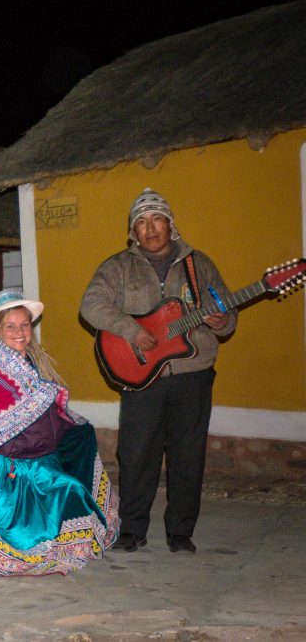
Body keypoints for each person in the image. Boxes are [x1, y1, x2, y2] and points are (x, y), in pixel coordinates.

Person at [0, 290, 119, 584]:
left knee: (75, 492)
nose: (20, 332)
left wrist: (77, 429)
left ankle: (59, 549)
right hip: (14, 471)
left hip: (46, 466)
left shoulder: (36, 367)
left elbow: (50, 419)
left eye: (25, 324)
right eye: (11, 326)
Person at [80, 188, 236, 554]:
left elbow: (228, 318)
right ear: (133, 231)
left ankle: (180, 533)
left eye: (156, 219)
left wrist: (222, 319)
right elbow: (91, 305)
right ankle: (132, 530)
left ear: (170, 224)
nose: (149, 228)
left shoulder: (201, 266)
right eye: (141, 222)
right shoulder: (118, 266)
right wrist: (131, 329)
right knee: (135, 454)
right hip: (140, 378)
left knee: (188, 454)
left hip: (193, 374)